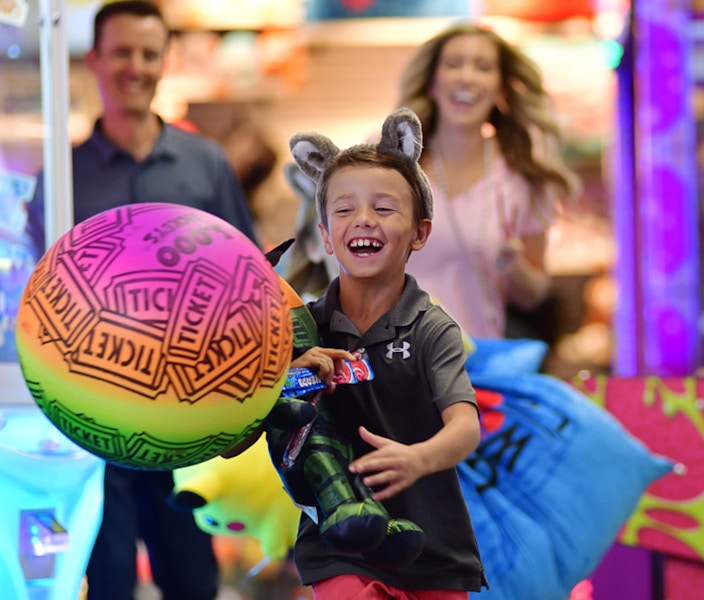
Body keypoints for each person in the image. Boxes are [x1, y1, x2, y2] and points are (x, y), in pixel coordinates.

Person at [25, 2, 259, 598]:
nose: (136, 66)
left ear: (165, 62)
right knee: (106, 579)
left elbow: (251, 282)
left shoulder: (204, 162)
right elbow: (34, 294)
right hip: (94, 415)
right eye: (122, 52)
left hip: (190, 409)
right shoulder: (65, 172)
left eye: (148, 54)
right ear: (95, 61)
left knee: (191, 577)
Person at [285, 107, 487, 598]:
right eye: (345, 209)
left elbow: (465, 427)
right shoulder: (297, 327)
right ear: (325, 236)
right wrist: (287, 375)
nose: (364, 220)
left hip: (434, 549)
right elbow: (246, 420)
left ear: (420, 231)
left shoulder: (431, 328)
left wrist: (417, 460)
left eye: (384, 207)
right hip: (339, 543)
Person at [399, 21, 580, 339]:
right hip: (387, 363)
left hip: (474, 369)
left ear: (500, 89)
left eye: (483, 67)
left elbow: (534, 294)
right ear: (432, 82)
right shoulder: (391, 159)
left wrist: (514, 265)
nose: (466, 77)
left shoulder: (523, 175)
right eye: (454, 64)